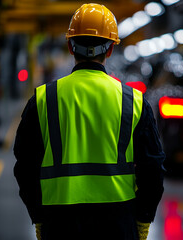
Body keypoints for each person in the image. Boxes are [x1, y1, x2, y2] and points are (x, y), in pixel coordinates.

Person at [13, 3, 165, 240]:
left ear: (70, 47)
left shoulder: (44, 99)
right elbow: (152, 170)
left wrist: (39, 216)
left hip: (60, 223)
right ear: (111, 48)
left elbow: (25, 166)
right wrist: (143, 220)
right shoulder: (134, 102)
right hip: (118, 222)